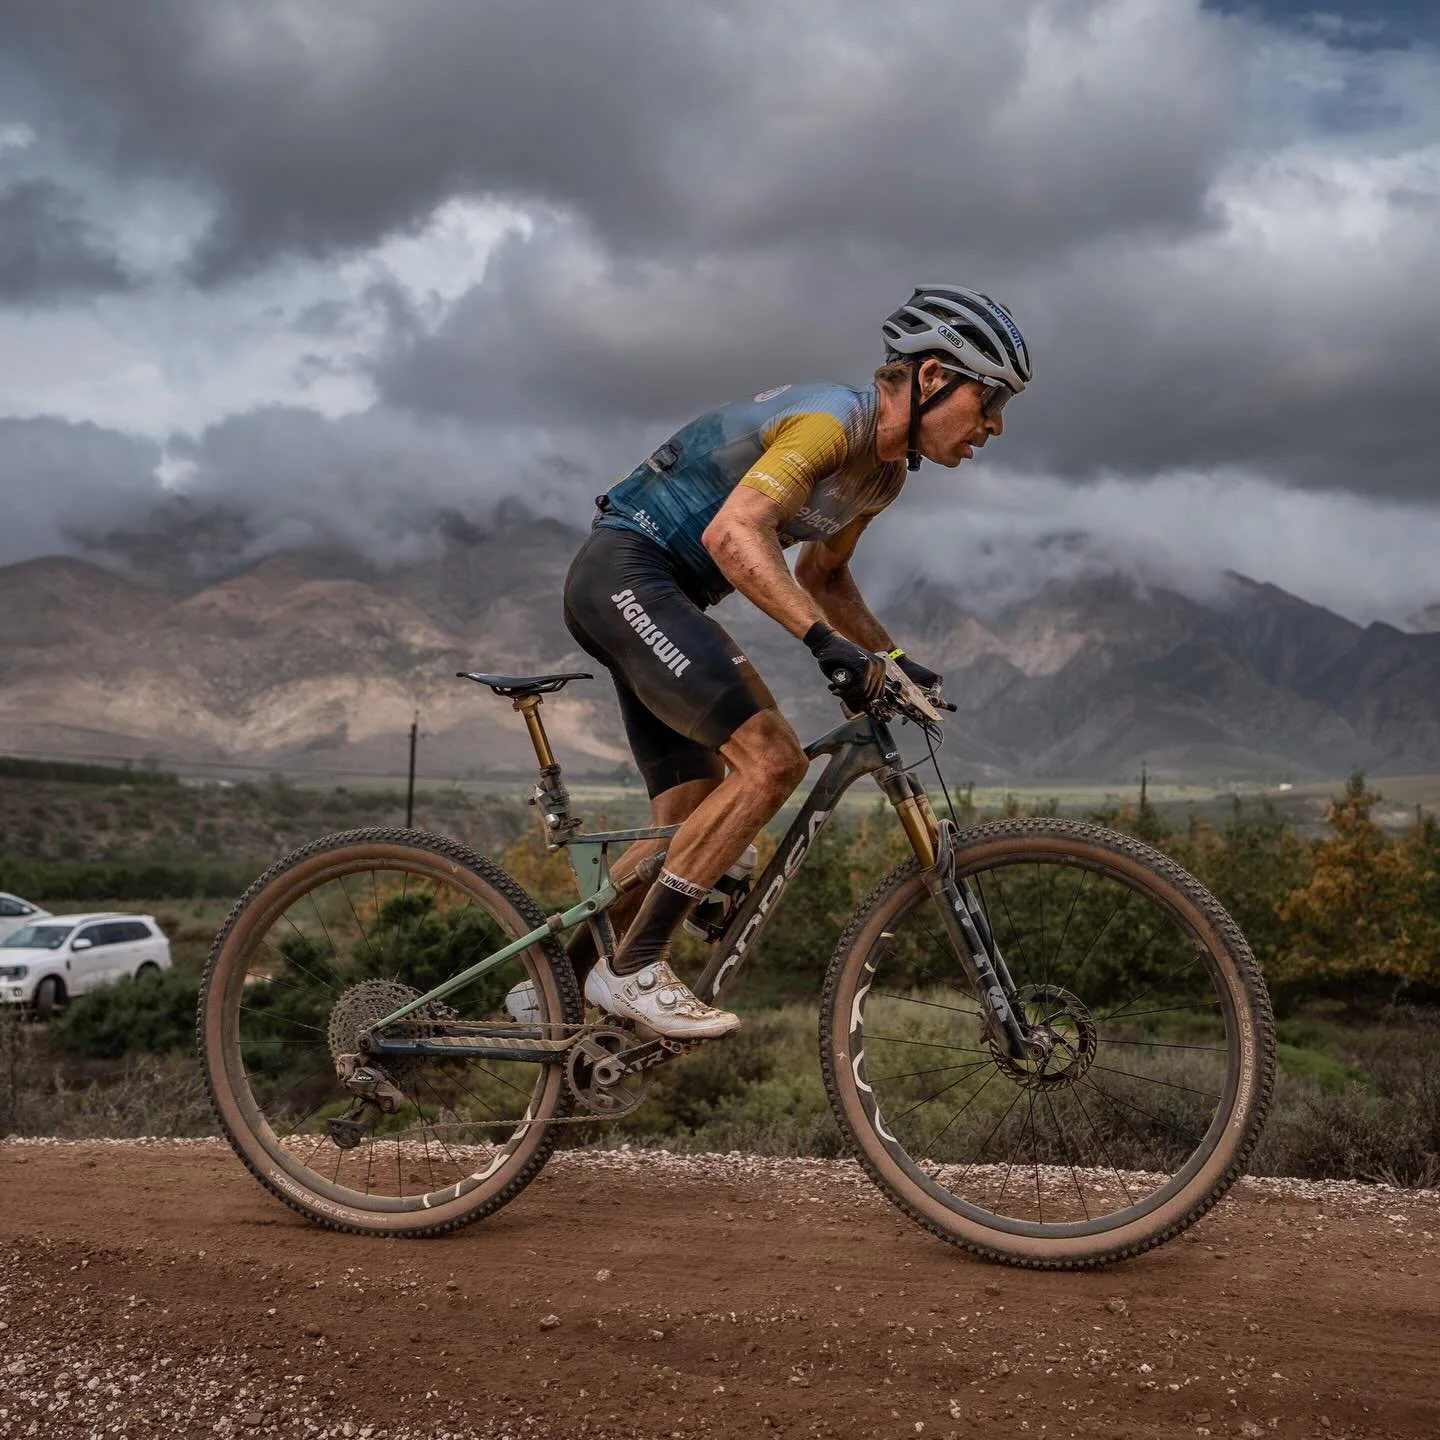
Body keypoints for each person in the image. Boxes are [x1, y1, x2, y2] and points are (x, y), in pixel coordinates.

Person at [542, 286, 1030, 1040]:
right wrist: (823, 645)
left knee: (688, 824)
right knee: (771, 759)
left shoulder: (883, 474)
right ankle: (633, 966)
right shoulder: (830, 424)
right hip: (628, 574)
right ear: (933, 377)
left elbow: (824, 578)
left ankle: (555, 989)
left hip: (659, 595)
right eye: (990, 399)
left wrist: (893, 659)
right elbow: (736, 536)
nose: (994, 426)